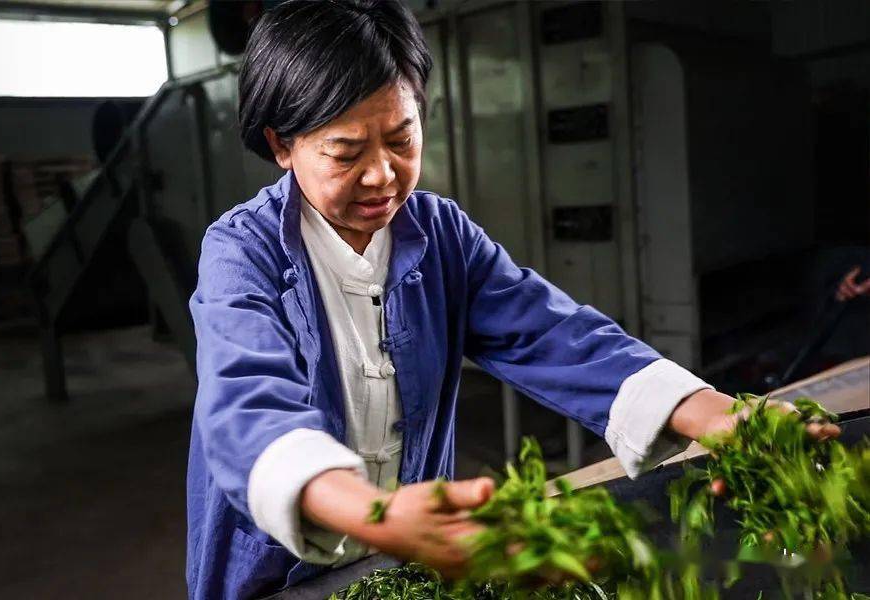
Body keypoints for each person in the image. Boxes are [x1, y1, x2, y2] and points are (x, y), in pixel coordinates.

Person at [185, 1, 839, 598]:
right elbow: (249, 407)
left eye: (401, 139)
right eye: (345, 152)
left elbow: (555, 336)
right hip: (278, 573)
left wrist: (725, 417)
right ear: (280, 144)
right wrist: (377, 516)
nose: (382, 174)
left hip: (407, 560)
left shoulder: (439, 235)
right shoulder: (242, 254)